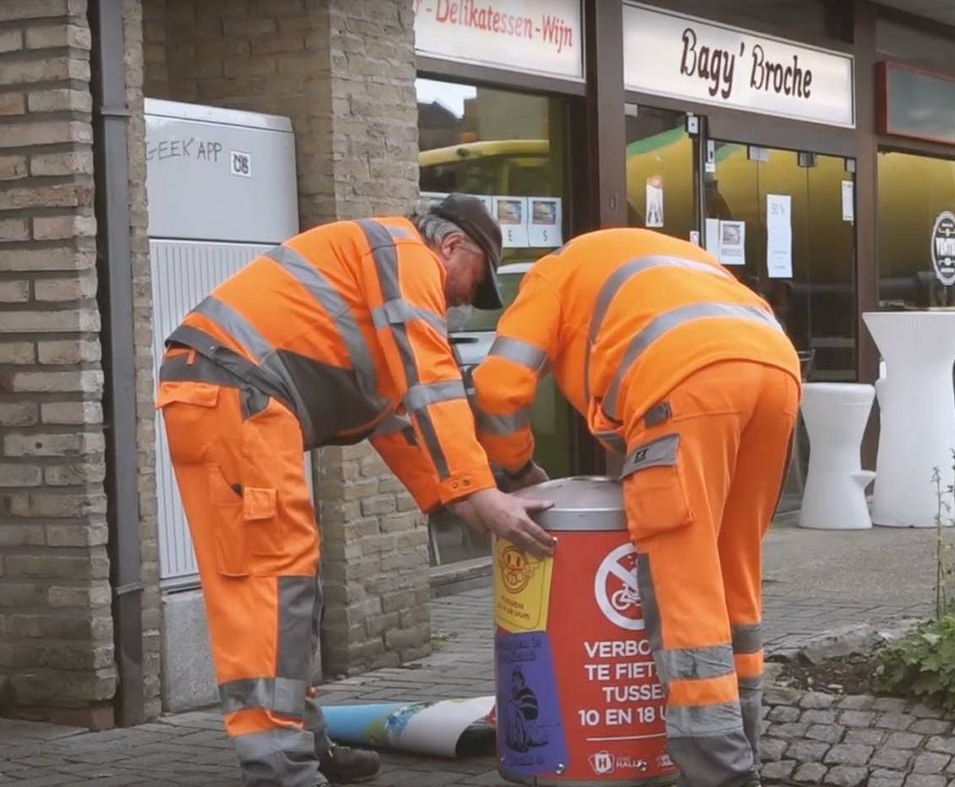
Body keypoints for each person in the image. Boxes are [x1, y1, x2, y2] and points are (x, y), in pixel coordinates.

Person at [156, 194, 556, 787]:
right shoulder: (403, 255)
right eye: (476, 280)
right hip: (232, 395)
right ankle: (279, 765)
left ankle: (304, 741)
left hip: (231, 396)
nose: (468, 298)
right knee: (271, 581)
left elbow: (397, 420)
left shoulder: (375, 279)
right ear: (451, 247)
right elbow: (431, 385)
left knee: (287, 579)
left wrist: (464, 500)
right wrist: (478, 491)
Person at [471, 228, 802, 787]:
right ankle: (746, 743)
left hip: (682, 388)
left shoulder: (551, 273)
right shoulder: (669, 257)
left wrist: (518, 470)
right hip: (776, 374)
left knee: (685, 586)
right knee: (733, 575)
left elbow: (499, 386)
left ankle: (723, 774)